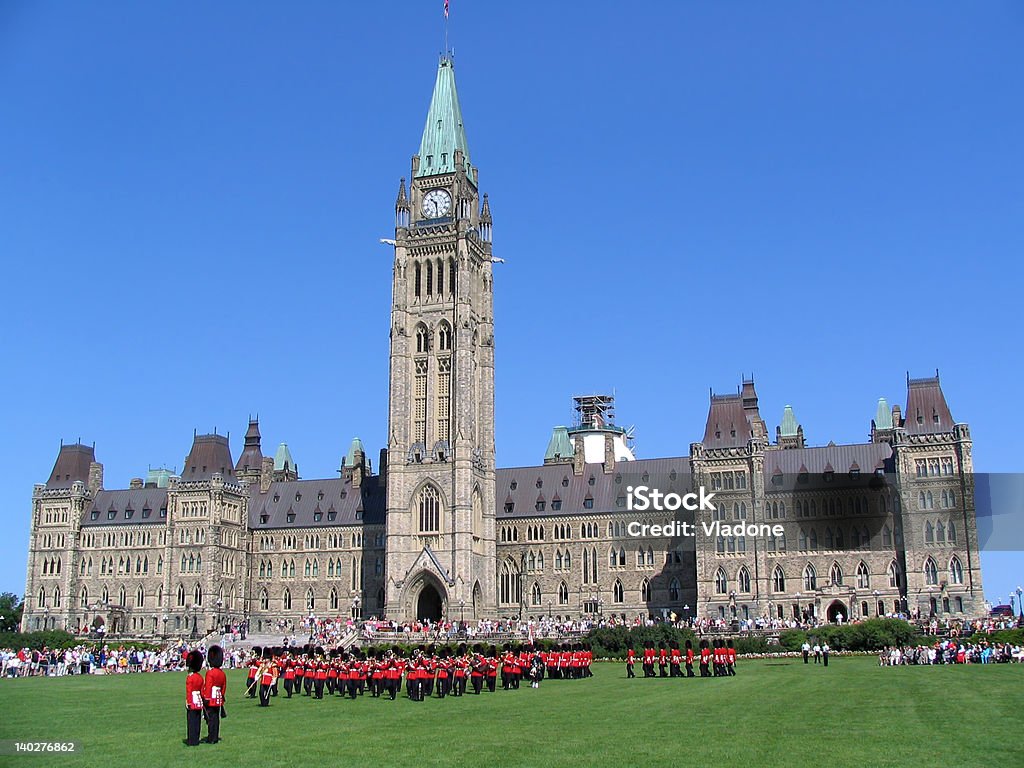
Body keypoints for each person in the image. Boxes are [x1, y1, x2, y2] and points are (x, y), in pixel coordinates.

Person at [203, 645, 227, 745]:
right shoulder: (222, 673)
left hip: (211, 698)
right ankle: (215, 736)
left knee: (211, 719)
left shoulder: (210, 673)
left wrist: (205, 698)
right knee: (216, 719)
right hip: (218, 698)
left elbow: (208, 686)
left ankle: (211, 737)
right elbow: (224, 687)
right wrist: (221, 697)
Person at [184, 650, 205, 747]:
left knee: (191, 721)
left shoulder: (190, 677)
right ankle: (196, 738)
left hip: (192, 700)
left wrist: (188, 701)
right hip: (199, 700)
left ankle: (192, 740)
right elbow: (201, 691)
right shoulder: (200, 677)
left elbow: (189, 691)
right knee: (197, 721)